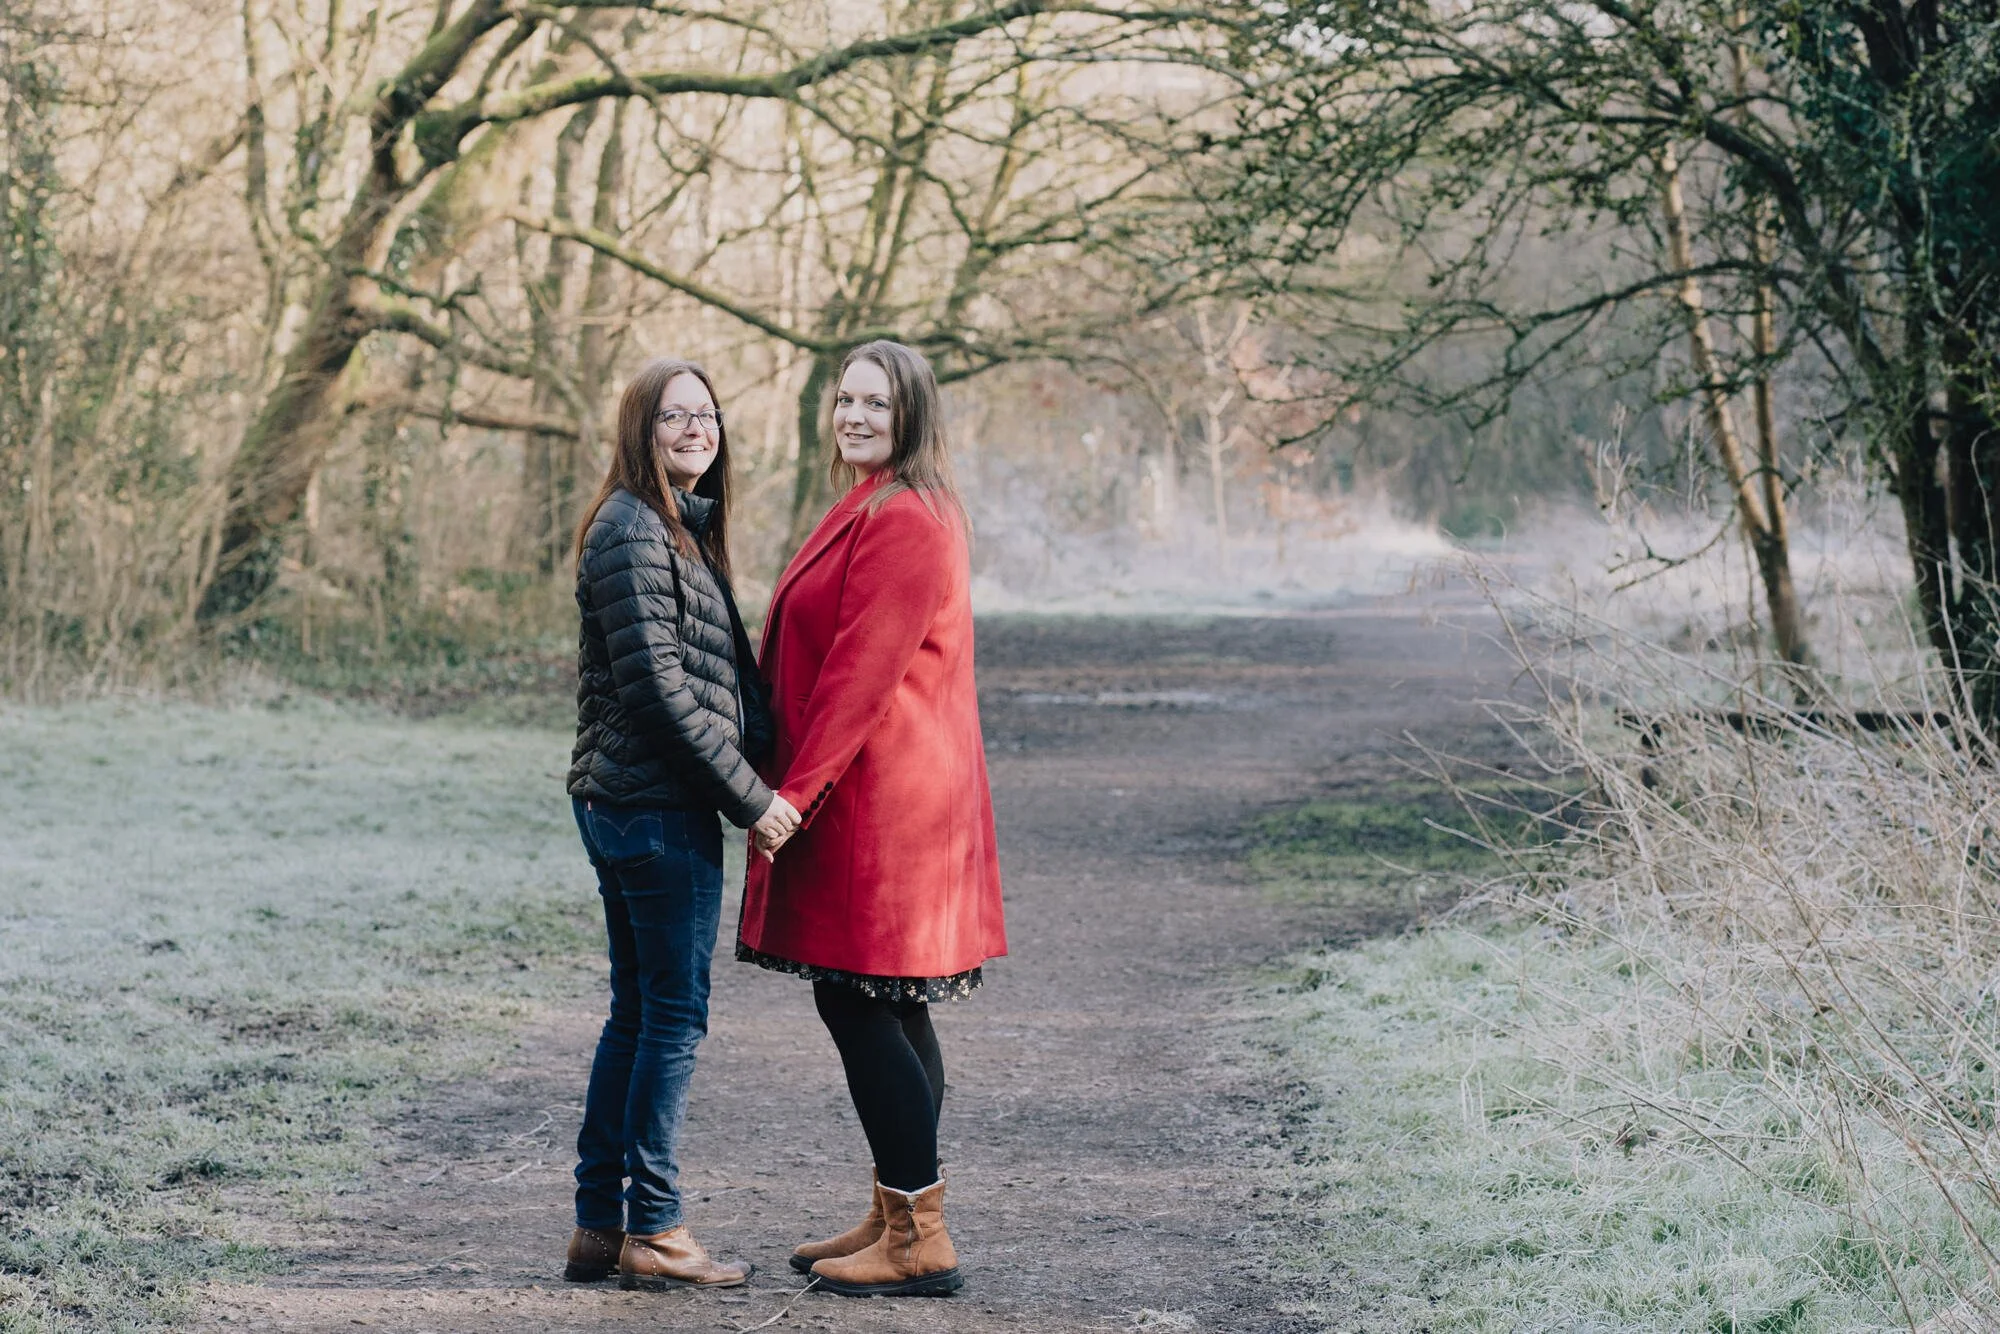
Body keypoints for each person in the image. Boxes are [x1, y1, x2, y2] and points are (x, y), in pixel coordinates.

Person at [737, 339, 1007, 1298]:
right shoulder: (878, 501)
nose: (853, 415)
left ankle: (918, 1232)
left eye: (875, 403)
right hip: (883, 792)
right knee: (888, 1000)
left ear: (913, 414)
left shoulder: (908, 520)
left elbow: (861, 674)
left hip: (883, 803)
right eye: (845, 399)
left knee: (856, 997)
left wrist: (792, 799)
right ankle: (899, 1206)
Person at [563, 358, 801, 1290]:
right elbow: (661, 693)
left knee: (637, 1014)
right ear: (640, 431)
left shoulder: (677, 530)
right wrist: (754, 800)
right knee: (670, 1019)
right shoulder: (631, 531)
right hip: (651, 807)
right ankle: (654, 1228)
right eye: (675, 417)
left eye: (707, 415)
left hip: (639, 803)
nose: (697, 429)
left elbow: (715, 680)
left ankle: (599, 1226)